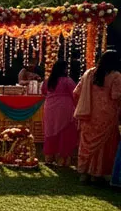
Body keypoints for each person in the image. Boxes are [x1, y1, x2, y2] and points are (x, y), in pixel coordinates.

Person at [74, 50, 121, 184]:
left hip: (88, 114)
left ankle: (84, 174)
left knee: (86, 144)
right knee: (103, 145)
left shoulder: (89, 73)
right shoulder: (116, 75)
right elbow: (116, 96)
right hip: (107, 116)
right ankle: (96, 175)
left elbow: (76, 92)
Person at [42, 60, 79, 166]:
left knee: (50, 131)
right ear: (64, 69)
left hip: (49, 108)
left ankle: (49, 158)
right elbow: (76, 94)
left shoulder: (48, 81)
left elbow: (43, 91)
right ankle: (62, 160)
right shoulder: (67, 81)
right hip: (64, 108)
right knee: (65, 131)